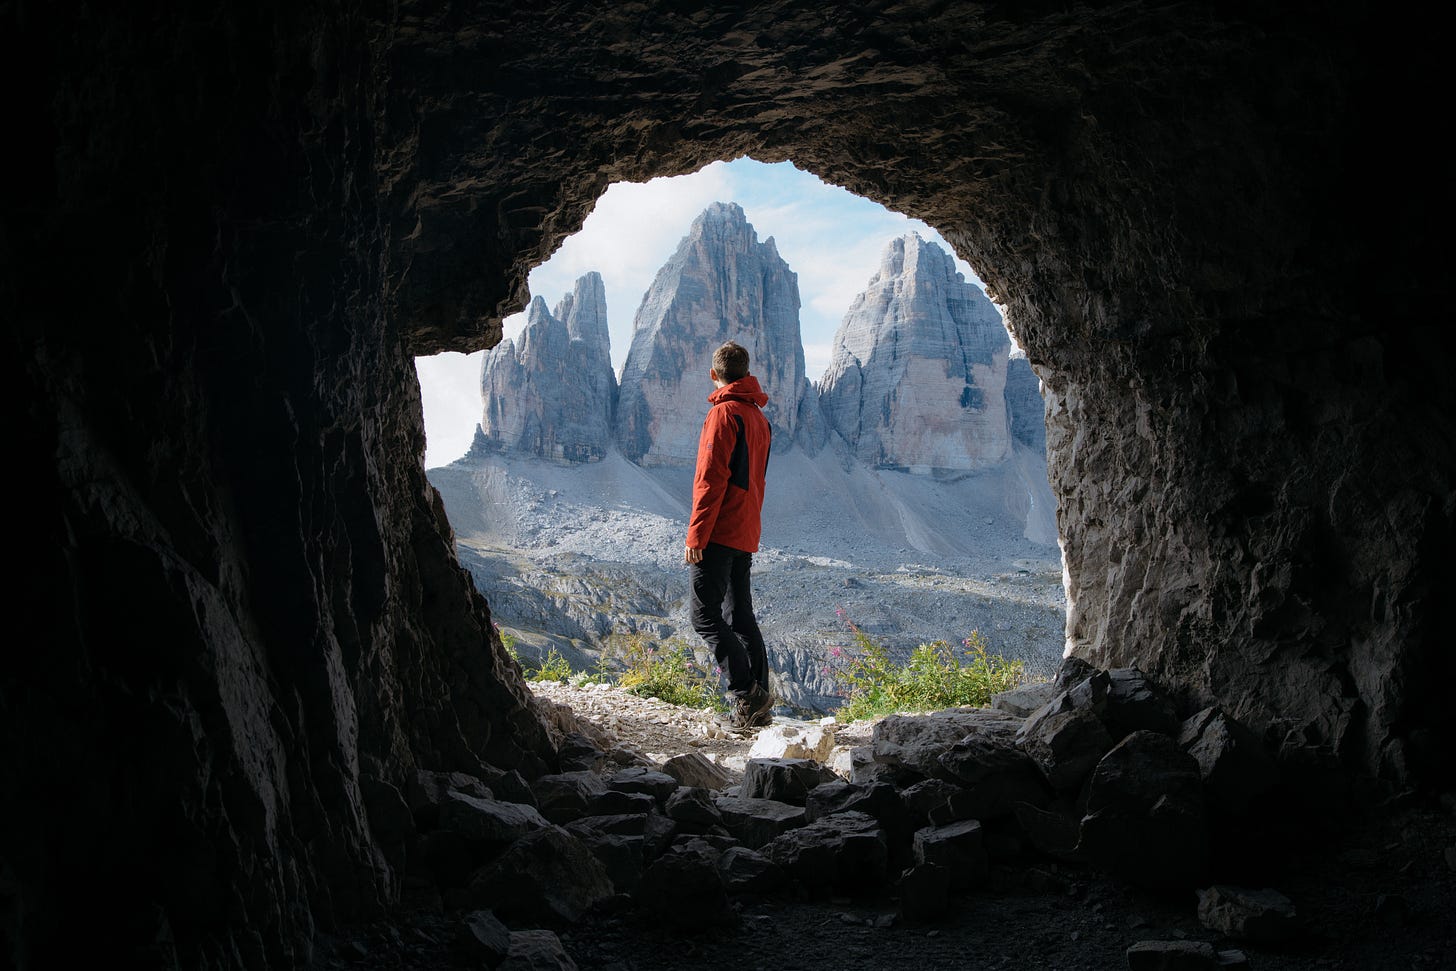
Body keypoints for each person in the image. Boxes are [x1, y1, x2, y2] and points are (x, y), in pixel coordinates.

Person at [685, 341, 774, 729]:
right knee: (740, 617)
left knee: (704, 616)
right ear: (747, 371)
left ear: (713, 374)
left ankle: (747, 694)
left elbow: (710, 480)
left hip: (720, 530)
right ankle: (760, 706)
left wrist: (696, 536)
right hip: (746, 528)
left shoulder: (723, 414)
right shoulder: (758, 417)